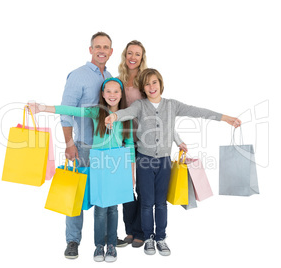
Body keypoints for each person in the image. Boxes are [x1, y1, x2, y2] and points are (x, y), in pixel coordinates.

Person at [105, 68, 242, 256]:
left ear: (161, 84)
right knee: (146, 203)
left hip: (164, 161)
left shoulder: (172, 105)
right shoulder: (140, 105)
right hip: (144, 160)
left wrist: (225, 118)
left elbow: (198, 111)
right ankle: (149, 238)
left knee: (161, 203)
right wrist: (113, 116)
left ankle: (160, 237)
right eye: (147, 83)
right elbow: (126, 113)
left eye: (154, 82)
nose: (151, 86)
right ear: (143, 88)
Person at [28, 77, 135, 262]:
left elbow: (130, 145)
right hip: (99, 165)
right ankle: (99, 246)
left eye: (116, 91)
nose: (112, 95)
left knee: (114, 208)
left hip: (118, 167)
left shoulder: (126, 116)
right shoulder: (97, 112)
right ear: (102, 94)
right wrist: (43, 108)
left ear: (121, 94)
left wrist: (131, 173)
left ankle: (111, 245)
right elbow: (71, 110)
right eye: (108, 91)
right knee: (101, 208)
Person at [117, 40, 187, 248]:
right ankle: (130, 230)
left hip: (146, 143)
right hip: (124, 139)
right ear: (124, 55)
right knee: (126, 188)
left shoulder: (146, 80)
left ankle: (142, 233)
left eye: (137, 54)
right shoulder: (118, 80)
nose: (133, 57)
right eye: (130, 53)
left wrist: (177, 139)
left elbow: (162, 118)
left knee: (144, 191)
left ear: (142, 57)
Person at [58, 32, 114, 259]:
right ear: (90, 49)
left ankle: (106, 240)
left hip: (106, 150)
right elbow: (65, 112)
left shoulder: (110, 77)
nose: (102, 50)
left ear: (111, 51)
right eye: (98, 46)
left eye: (106, 47)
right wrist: (69, 143)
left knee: (105, 197)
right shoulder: (78, 76)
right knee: (76, 197)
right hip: (82, 147)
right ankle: (73, 241)